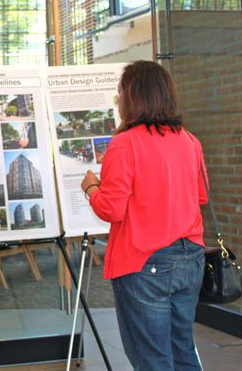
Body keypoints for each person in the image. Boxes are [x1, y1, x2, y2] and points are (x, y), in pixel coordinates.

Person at [81, 60, 207, 370]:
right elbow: (200, 196)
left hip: (145, 262)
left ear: (132, 95)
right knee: (183, 351)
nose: (119, 97)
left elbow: (110, 209)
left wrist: (91, 188)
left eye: (120, 90)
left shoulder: (125, 144)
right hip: (190, 259)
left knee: (152, 359)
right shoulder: (190, 140)